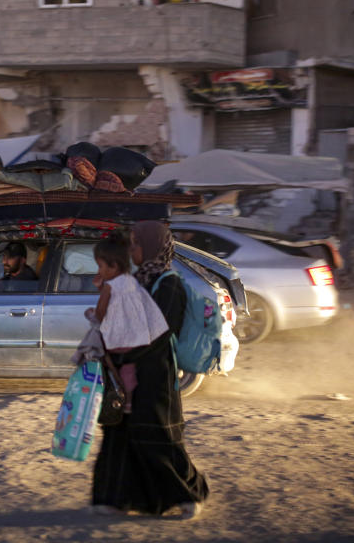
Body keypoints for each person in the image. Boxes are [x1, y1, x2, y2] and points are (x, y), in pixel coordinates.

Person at [91, 220, 208, 520]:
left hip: (154, 376)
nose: (131, 250)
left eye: (136, 244)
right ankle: (113, 497)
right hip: (128, 374)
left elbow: (157, 334)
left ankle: (188, 495)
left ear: (152, 246)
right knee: (119, 435)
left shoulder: (169, 284)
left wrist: (123, 351)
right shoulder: (138, 280)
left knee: (159, 439)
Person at [84, 236, 169, 413]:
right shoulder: (130, 280)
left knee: (97, 354)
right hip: (136, 338)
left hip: (119, 338)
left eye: (100, 266)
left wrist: (92, 315)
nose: (99, 270)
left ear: (113, 266)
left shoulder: (110, 286)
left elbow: (102, 311)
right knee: (128, 369)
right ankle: (129, 401)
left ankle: (110, 393)